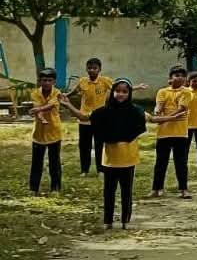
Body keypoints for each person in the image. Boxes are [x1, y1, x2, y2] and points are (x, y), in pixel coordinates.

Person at [64, 79, 146, 229]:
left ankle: (125, 221)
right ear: (112, 92)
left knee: (126, 192)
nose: (120, 94)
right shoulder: (103, 112)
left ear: (129, 93)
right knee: (109, 192)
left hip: (128, 159)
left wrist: (173, 117)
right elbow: (84, 117)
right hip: (110, 159)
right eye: (118, 91)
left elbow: (154, 119)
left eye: (124, 91)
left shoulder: (136, 111)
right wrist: (68, 105)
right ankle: (108, 221)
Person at [65, 59, 147, 176]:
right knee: (84, 145)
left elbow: (120, 88)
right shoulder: (82, 81)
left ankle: (100, 169)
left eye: (95, 68)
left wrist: (137, 87)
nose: (92, 70)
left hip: (100, 119)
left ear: (99, 69)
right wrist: (66, 96)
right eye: (89, 68)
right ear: (86, 69)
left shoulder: (104, 81)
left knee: (99, 145)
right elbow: (75, 91)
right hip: (85, 118)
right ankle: (84, 170)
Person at [150, 65, 192, 199]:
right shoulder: (162, 91)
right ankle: (156, 189)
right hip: (164, 133)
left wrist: (165, 119)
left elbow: (181, 108)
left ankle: (184, 189)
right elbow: (159, 105)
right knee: (160, 163)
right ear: (170, 78)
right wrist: (157, 112)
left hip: (180, 133)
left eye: (182, 76)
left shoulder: (186, 92)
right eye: (176, 75)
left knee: (181, 163)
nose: (180, 78)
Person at [27, 68, 64, 194]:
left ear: (54, 81)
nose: (47, 83)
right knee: (36, 162)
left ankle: (55, 188)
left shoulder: (57, 93)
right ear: (40, 81)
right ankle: (33, 188)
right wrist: (41, 118)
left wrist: (37, 110)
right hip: (39, 133)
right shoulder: (35, 93)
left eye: (49, 80)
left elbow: (51, 106)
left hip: (54, 131)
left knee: (54, 162)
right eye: (44, 80)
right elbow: (38, 110)